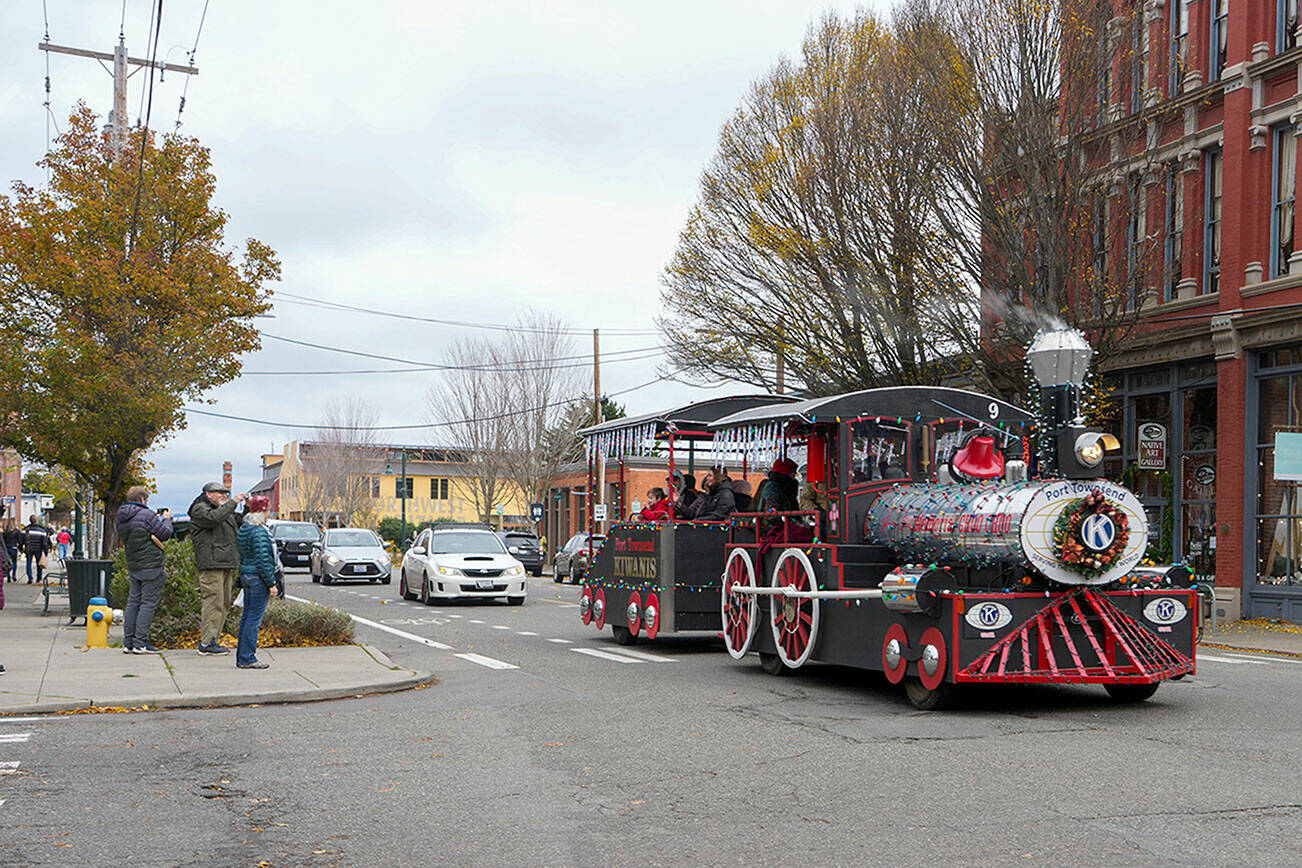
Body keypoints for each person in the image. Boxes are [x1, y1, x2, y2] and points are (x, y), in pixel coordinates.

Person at [188, 482, 246, 655]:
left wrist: (248, 509)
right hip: (212, 562)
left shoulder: (222, 510)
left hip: (225, 561)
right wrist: (232, 502)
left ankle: (214, 639)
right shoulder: (200, 510)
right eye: (220, 493)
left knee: (224, 603)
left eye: (226, 493)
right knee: (214, 602)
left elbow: (239, 520)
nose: (224, 496)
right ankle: (206, 643)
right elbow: (214, 518)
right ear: (208, 494)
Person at [116, 486, 173, 654]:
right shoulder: (146, 515)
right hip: (151, 565)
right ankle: (140, 643)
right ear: (142, 499)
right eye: (146, 499)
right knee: (147, 604)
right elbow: (165, 533)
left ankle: (129, 643)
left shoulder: (121, 517)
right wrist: (167, 519)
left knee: (133, 602)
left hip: (134, 564)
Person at [235, 495, 279, 669]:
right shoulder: (260, 531)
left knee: (247, 618)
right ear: (263, 511)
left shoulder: (245, 529)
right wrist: (271, 583)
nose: (269, 512)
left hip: (247, 574)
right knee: (254, 619)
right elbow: (263, 560)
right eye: (268, 509)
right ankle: (248, 658)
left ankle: (242, 656)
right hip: (257, 578)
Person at [20, 516, 52, 584]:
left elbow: (21, 540)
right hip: (38, 549)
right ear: (36, 521)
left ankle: (30, 578)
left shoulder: (26, 530)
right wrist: (46, 551)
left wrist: (21, 549)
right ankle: (39, 578)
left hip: (29, 549)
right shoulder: (41, 531)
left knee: (28, 563)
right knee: (39, 564)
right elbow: (44, 542)